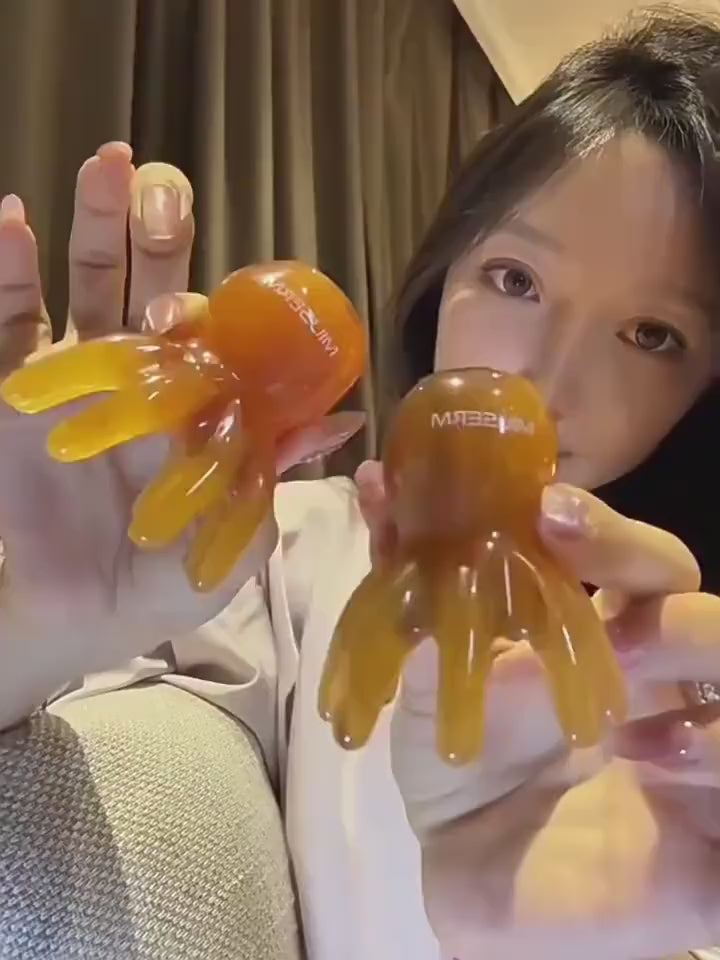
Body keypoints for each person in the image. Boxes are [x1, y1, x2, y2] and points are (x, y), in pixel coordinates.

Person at [3, 9, 720, 960]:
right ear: (444, 275)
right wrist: (34, 628)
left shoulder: (686, 680)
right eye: (515, 279)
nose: (545, 378)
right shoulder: (274, 551)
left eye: (651, 335)